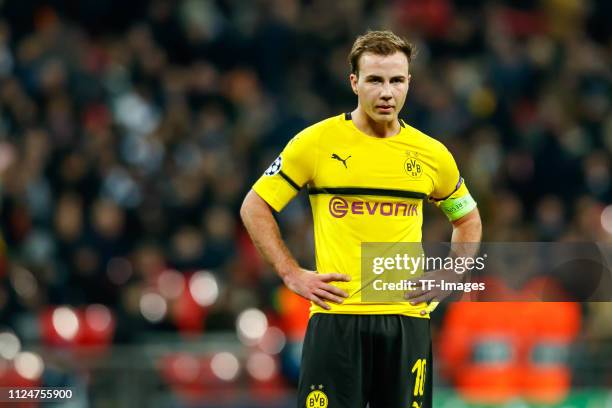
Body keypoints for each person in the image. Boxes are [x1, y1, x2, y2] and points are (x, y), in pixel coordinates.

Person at [240, 30, 482, 408]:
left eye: (396, 80)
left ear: (409, 84)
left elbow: (467, 219)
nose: (386, 92)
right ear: (354, 82)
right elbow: (255, 206)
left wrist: (453, 272)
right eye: (375, 80)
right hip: (337, 317)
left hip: (406, 318)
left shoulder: (433, 155)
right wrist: (291, 272)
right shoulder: (315, 143)